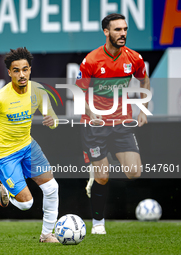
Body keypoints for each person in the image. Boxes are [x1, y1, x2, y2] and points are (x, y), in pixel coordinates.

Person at [0, 47, 59, 243]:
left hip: (28, 146)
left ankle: (46, 236)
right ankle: (7, 191)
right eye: (17, 70)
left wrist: (52, 121)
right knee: (27, 203)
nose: (22, 74)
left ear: (30, 70)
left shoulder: (38, 91)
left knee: (52, 187)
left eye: (25, 69)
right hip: (3, 156)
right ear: (9, 72)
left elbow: (52, 117)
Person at [75, 13, 150, 234]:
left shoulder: (133, 58)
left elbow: (144, 79)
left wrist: (143, 107)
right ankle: (98, 223)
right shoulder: (91, 60)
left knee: (134, 172)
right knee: (103, 177)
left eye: (125, 29)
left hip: (121, 123)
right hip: (95, 126)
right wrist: (91, 113)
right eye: (117, 30)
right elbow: (79, 92)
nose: (123, 33)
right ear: (106, 32)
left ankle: (100, 163)